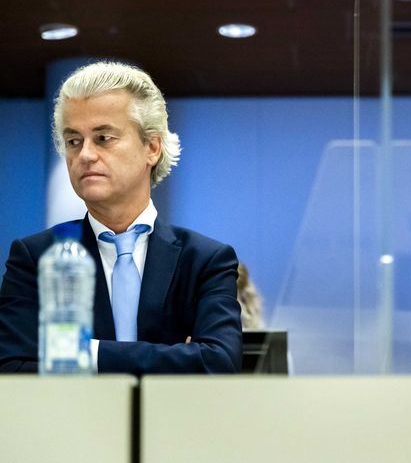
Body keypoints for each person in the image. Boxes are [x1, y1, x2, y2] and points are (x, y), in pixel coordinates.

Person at [0, 61, 242, 374]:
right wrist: (178, 356)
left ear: (152, 147)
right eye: (74, 141)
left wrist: (83, 352)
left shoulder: (205, 261)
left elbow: (218, 363)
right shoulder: (37, 257)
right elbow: (12, 369)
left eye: (103, 138)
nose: (85, 155)